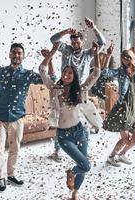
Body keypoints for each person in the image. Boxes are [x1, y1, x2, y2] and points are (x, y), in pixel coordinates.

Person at [0, 43, 43, 192]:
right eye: (14, 52)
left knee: (15, 148)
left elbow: (49, 80)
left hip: (17, 118)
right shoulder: (1, 71)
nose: (16, 55)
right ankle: (1, 177)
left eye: (19, 53)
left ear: (23, 56)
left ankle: (11, 174)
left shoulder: (28, 74)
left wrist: (48, 60)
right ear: (9, 55)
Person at [39, 41, 101, 200]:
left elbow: (96, 73)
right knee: (85, 165)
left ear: (74, 77)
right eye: (64, 72)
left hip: (80, 132)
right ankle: (71, 172)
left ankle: (75, 192)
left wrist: (95, 53)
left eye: (70, 73)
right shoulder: (55, 89)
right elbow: (42, 70)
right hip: (63, 135)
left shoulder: (81, 90)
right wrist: (51, 54)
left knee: (83, 164)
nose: (66, 75)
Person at [48, 17, 106, 161]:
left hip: (81, 91)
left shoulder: (87, 54)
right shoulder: (66, 49)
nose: (74, 44)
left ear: (82, 41)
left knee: (83, 122)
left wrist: (94, 28)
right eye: (72, 42)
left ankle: (83, 149)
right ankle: (57, 151)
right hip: (64, 89)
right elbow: (53, 40)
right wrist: (66, 32)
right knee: (62, 121)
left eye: (77, 41)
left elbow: (102, 43)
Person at [103, 44, 135, 167]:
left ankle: (122, 154)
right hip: (123, 107)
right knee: (125, 138)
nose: (126, 60)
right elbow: (105, 72)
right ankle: (111, 157)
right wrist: (108, 55)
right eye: (123, 58)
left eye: (128, 57)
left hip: (133, 107)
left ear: (132, 58)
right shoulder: (120, 72)